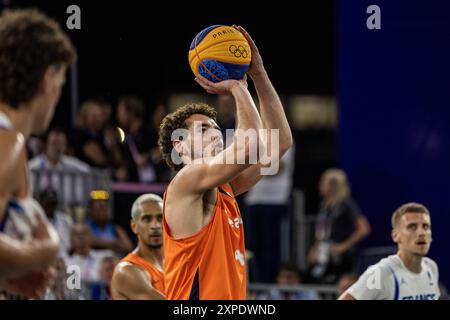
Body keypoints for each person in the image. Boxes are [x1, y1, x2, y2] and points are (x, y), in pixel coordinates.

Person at [159, 25, 292, 300]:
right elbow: (251, 146)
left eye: (216, 127)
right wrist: (236, 87)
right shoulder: (186, 181)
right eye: (204, 129)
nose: (216, 133)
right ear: (179, 145)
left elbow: (280, 143)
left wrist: (259, 74)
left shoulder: (226, 188)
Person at [0, 8, 76, 298]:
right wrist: (43, 252)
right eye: (61, 84)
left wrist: (7, 278)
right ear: (47, 80)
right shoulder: (7, 143)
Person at [339, 203, 440, 300]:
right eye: (412, 227)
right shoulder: (380, 273)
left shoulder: (431, 267)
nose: (421, 233)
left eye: (426, 226)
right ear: (395, 236)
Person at [307, 168, 371, 284]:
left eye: (323, 182)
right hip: (325, 255)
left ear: (333, 185)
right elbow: (322, 233)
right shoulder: (325, 206)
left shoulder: (345, 204)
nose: (319, 185)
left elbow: (364, 228)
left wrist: (344, 246)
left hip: (341, 258)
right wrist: (314, 249)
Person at [111, 194, 165, 300]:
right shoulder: (126, 270)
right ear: (134, 226)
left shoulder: (174, 264)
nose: (155, 225)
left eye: (160, 218)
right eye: (147, 219)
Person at [29, 127, 91, 208]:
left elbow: (88, 171)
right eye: (54, 143)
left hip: (67, 211)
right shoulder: (34, 166)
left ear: (65, 146)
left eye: (61, 144)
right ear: (47, 145)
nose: (57, 147)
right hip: (42, 210)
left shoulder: (71, 164)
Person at [86, 191, 133, 256]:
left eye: (104, 209)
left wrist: (101, 244)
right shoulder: (87, 226)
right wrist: (115, 244)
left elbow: (128, 247)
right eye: (98, 209)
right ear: (91, 211)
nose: (102, 213)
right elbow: (90, 242)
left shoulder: (115, 228)